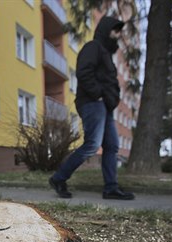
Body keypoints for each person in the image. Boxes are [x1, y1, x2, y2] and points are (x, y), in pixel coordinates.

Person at [49, 16, 134, 200]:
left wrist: (109, 99)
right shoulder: (93, 47)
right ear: (105, 29)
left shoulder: (106, 54)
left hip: (105, 107)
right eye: (116, 30)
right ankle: (59, 178)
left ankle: (111, 188)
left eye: (120, 31)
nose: (118, 34)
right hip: (93, 103)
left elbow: (109, 81)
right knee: (92, 145)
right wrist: (98, 94)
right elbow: (84, 71)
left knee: (111, 146)